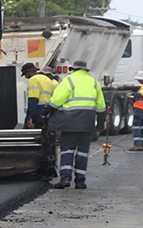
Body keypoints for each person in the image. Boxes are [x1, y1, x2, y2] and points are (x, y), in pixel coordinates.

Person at [43, 60, 106, 190]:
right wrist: (100, 124)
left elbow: (57, 100)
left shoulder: (69, 80)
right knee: (83, 152)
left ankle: (65, 179)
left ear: (73, 69)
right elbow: (101, 106)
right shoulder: (93, 82)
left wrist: (46, 111)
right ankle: (80, 181)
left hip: (70, 122)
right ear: (85, 70)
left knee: (67, 150)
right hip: (87, 122)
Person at [21, 62, 56, 129]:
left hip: (37, 112)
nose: (26, 77)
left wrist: (29, 117)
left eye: (25, 74)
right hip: (47, 111)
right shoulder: (48, 80)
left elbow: (33, 100)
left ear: (28, 72)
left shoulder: (33, 80)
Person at [125, 70, 143, 151]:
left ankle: (137, 145)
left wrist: (131, 94)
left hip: (140, 108)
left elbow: (141, 95)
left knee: (136, 126)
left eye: (139, 79)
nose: (138, 81)